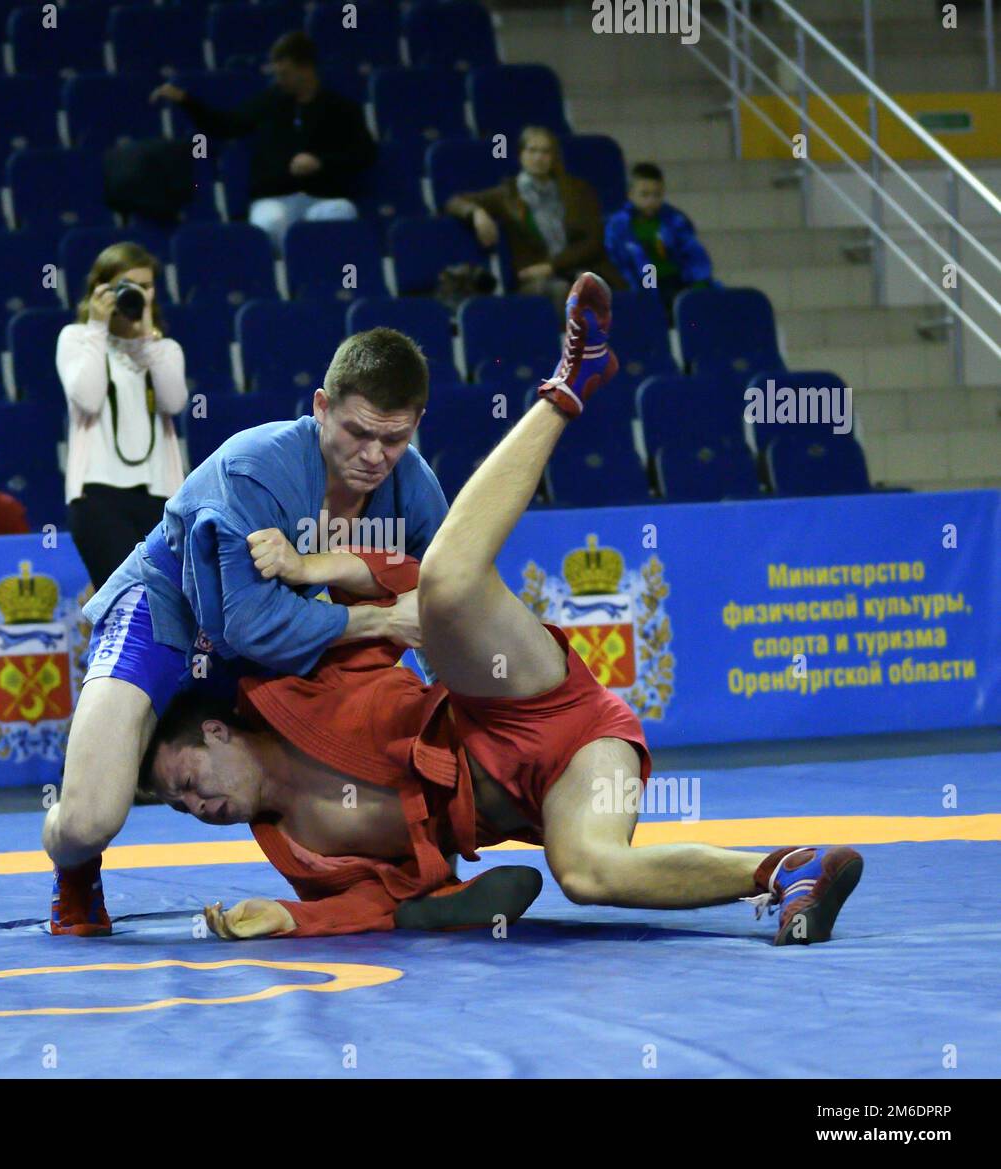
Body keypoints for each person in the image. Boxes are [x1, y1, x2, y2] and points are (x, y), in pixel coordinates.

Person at [138, 273, 865, 947]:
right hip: (544, 784)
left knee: (448, 579)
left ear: (217, 730)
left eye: (187, 781)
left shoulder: (287, 683)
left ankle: (568, 384)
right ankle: (790, 869)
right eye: (179, 805)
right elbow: (378, 896)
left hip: (512, 704)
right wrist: (291, 916)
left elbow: (405, 582)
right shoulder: (295, 846)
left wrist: (312, 565)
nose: (194, 805)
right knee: (587, 873)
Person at [44, 327, 449, 936]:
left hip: (280, 637)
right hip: (166, 610)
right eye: (357, 432)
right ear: (320, 408)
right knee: (89, 818)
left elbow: (448, 605)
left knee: (382, 746)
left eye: (393, 438)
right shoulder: (258, 470)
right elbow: (253, 627)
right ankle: (76, 872)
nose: (373, 455)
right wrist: (377, 619)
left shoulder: (413, 491)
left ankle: (406, 875)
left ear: (416, 423)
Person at [150, 31, 375, 255]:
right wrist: (186, 101)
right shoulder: (268, 102)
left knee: (342, 212)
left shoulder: (341, 109)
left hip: (323, 198)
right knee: (268, 223)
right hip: (275, 198)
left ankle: (320, 273)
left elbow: (364, 153)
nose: (279, 79)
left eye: (285, 73)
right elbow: (224, 125)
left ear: (306, 69)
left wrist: (321, 162)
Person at [57, 241, 188, 591]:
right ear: (100, 288)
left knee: (169, 604)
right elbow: (87, 397)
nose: (137, 295)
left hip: (160, 494)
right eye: (126, 286)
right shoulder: (76, 339)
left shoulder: (164, 349)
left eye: (145, 287)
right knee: (126, 602)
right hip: (98, 497)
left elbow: (174, 401)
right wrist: (98, 328)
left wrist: (146, 337)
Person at [444, 125, 623, 304]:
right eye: (532, 150)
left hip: (579, 267)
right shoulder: (507, 194)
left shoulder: (579, 191)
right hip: (535, 278)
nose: (539, 157)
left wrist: (552, 266)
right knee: (561, 290)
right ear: (521, 155)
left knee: (604, 285)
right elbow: (454, 201)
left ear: (554, 157)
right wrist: (477, 213)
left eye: (545, 152)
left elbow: (593, 241)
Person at [605, 161, 714, 323]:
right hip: (641, 285)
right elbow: (616, 261)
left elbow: (694, 254)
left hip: (675, 281)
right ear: (630, 194)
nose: (651, 201)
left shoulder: (674, 221)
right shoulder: (619, 225)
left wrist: (700, 283)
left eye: (656, 195)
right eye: (645, 195)